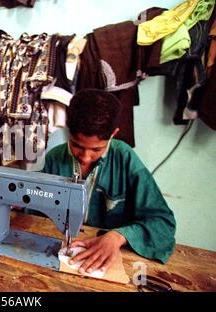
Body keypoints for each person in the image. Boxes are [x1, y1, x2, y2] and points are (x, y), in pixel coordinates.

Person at [42, 89, 176, 275]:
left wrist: (118, 236)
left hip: (113, 258)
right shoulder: (53, 159)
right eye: (77, 146)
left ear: (113, 134)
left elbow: (163, 224)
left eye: (96, 149)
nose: (86, 158)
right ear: (67, 129)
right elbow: (35, 213)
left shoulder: (126, 160)